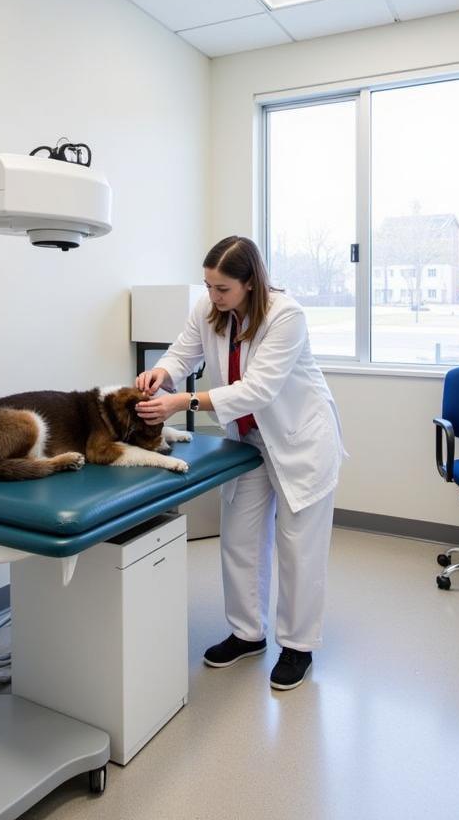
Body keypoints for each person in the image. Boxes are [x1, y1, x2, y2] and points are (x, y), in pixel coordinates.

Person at [135, 236, 346, 691]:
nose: (213, 296)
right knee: (240, 539)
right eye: (208, 286)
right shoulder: (208, 309)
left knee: (298, 549)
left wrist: (182, 400)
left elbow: (257, 389)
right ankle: (247, 633)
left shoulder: (286, 316)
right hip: (249, 438)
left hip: (299, 440)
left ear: (250, 283)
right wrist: (163, 373)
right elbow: (183, 351)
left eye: (222, 289)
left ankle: (298, 647)